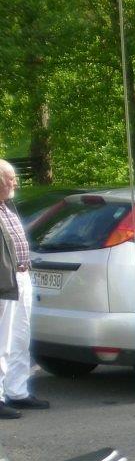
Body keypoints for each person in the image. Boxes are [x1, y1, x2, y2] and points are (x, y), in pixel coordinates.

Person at [0, 160, 49, 418]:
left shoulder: (7, 206)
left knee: (20, 336)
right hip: (3, 280)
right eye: (11, 179)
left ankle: (17, 391)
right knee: (2, 339)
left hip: (21, 275)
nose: (15, 183)